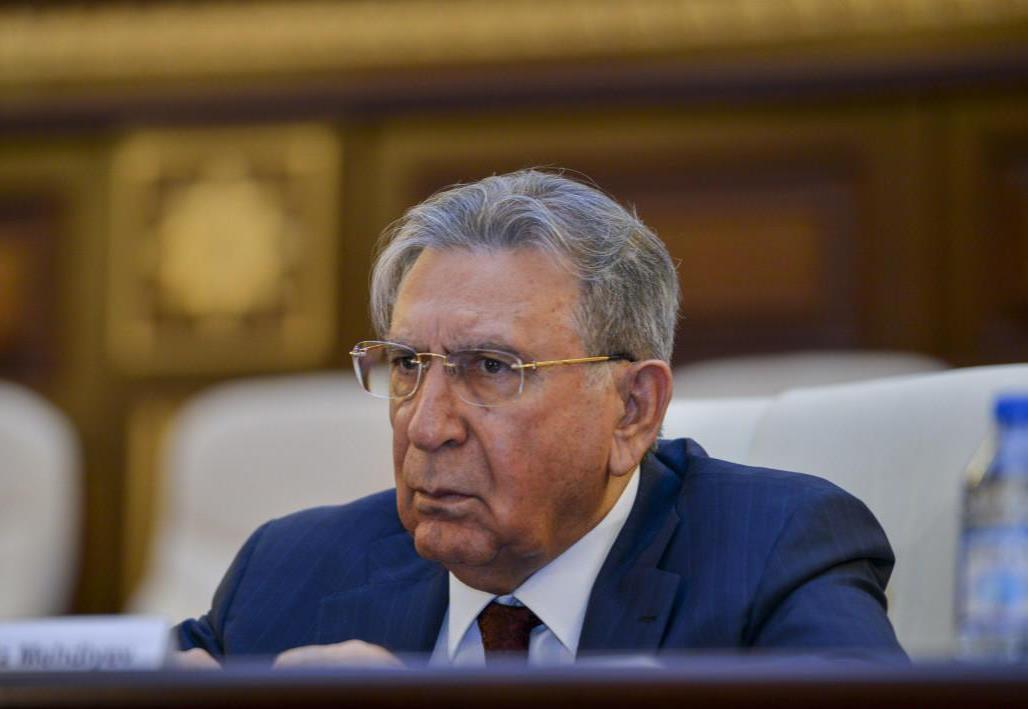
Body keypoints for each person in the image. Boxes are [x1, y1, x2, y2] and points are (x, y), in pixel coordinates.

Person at [176, 169, 903, 667]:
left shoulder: (775, 554)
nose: (426, 426)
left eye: (492, 368)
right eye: (407, 365)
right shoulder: (289, 572)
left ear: (632, 409)